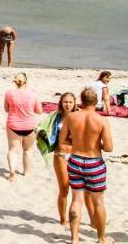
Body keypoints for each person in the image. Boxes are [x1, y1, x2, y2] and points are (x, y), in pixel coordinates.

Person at [62, 86, 113, 244]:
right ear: (96, 101)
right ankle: (101, 238)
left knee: (76, 200)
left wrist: (76, 142)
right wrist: (98, 145)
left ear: (81, 101)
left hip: (76, 159)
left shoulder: (71, 117)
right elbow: (109, 147)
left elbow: (63, 141)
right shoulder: (101, 120)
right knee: (98, 202)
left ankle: (75, 238)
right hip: (94, 162)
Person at [4, 71, 42, 181]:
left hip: (13, 124)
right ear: (26, 81)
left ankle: (12, 170)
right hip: (30, 125)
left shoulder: (9, 93)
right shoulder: (33, 94)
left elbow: (6, 109)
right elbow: (39, 111)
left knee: (12, 150)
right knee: (28, 150)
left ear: (15, 82)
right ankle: (27, 173)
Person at [48, 92, 79, 228]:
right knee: (64, 188)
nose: (68, 104)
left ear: (74, 103)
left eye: (70, 102)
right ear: (61, 103)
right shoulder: (56, 117)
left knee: (80, 191)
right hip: (60, 155)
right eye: (65, 102)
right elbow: (45, 130)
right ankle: (62, 219)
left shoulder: (79, 117)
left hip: (76, 155)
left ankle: (86, 218)